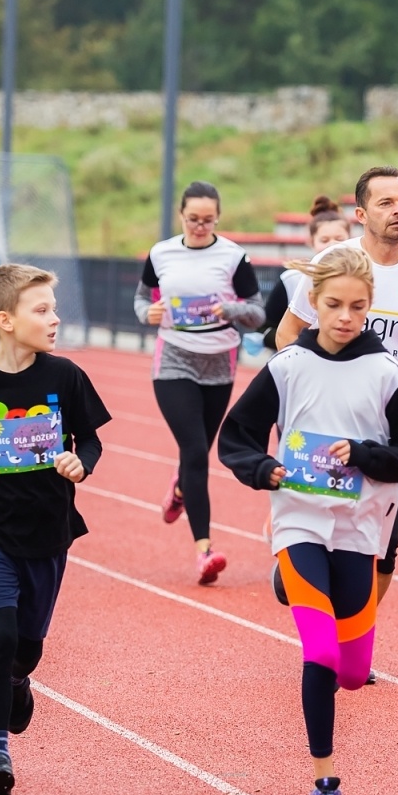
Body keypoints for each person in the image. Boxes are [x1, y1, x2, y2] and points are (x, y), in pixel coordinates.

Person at [219, 245, 398, 795]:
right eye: (334, 304)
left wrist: (368, 455)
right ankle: (325, 783)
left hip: (361, 527)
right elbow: (235, 437)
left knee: (351, 669)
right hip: (297, 518)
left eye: (357, 306)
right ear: (312, 303)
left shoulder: (385, 372)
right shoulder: (288, 365)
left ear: (370, 309)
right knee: (318, 653)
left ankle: (301, 590)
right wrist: (261, 468)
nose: (345, 316)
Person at [0, 263, 112, 795]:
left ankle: (17, 680)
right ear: (6, 320)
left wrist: (82, 463)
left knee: (27, 648)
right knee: (1, 634)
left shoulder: (66, 378)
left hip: (49, 531)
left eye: (54, 309)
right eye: (43, 310)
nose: (55, 319)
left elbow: (92, 441)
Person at [274, 166, 398, 608]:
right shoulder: (333, 263)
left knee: (384, 548)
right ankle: (299, 580)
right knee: (321, 537)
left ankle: (353, 638)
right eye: (386, 203)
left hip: (392, 428)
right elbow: (288, 333)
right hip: (330, 420)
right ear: (361, 212)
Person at [135, 180, 265, 585]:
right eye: (193, 219)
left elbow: (258, 314)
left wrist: (230, 308)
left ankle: (178, 493)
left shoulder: (232, 256)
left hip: (219, 363)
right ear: (181, 216)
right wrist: (147, 314)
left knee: (197, 453)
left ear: (218, 218)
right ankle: (204, 551)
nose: (200, 226)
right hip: (174, 359)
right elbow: (142, 299)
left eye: (208, 220)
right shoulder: (161, 253)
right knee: (194, 452)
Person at [261, 195, 350, 352]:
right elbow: (264, 330)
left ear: (351, 240)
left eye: (339, 239)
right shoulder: (291, 281)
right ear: (311, 242)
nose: (332, 245)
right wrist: (305, 343)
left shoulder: (360, 280)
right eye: (324, 240)